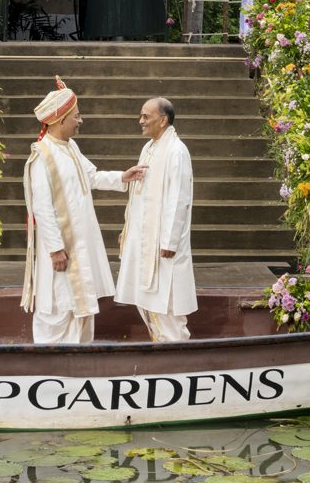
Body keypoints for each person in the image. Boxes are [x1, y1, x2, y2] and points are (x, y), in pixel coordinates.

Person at [20, 76, 139, 344]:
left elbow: (92, 177)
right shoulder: (42, 156)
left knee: (81, 304)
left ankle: (80, 360)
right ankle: (51, 367)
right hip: (61, 250)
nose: (80, 120)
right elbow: (42, 207)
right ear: (61, 120)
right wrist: (54, 248)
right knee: (60, 306)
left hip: (80, 244)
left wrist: (124, 176)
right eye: (77, 116)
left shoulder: (70, 147)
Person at [114, 96, 199, 341]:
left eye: (145, 116)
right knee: (147, 300)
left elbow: (178, 199)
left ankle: (176, 350)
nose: (140, 121)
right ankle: (162, 346)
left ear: (163, 120)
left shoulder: (176, 151)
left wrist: (170, 242)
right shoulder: (149, 148)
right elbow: (138, 197)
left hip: (163, 246)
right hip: (143, 242)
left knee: (167, 302)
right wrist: (128, 228)